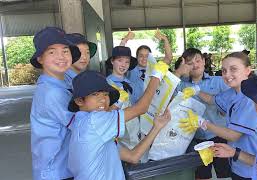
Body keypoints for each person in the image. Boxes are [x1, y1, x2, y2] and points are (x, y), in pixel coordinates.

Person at [67, 61, 169, 179]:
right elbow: (141, 108)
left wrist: (157, 127)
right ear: (79, 101)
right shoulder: (93, 121)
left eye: (105, 94)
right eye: (95, 94)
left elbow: (133, 157)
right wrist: (157, 76)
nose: (103, 100)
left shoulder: (88, 127)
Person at [180, 52, 257, 179]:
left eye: (233, 69)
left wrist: (203, 123)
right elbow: (213, 100)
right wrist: (197, 91)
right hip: (238, 161)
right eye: (224, 70)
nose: (227, 75)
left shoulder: (249, 99)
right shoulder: (233, 93)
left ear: (248, 70)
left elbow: (233, 135)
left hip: (252, 165)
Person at [29, 27, 81, 180]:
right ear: (40, 58)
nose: (61, 57)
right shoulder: (51, 93)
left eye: (65, 51)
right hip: (56, 171)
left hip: (66, 166)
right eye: (52, 52)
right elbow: (82, 125)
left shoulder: (64, 78)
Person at [174, 48, 231, 180]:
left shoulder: (218, 82)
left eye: (197, 60)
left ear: (204, 61)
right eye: (189, 63)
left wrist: (198, 91)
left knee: (224, 173)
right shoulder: (181, 85)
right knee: (202, 175)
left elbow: (228, 106)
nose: (195, 65)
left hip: (218, 135)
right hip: (195, 138)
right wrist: (178, 72)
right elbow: (166, 91)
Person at [121, 28, 173, 104]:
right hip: (133, 108)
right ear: (136, 57)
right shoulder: (130, 68)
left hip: (151, 110)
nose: (144, 58)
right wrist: (125, 40)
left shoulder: (156, 68)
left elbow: (168, 58)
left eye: (147, 56)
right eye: (141, 55)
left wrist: (165, 39)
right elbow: (120, 58)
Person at [105, 46, 140, 150]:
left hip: (134, 130)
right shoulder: (106, 84)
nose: (123, 65)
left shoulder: (130, 84)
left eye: (127, 62)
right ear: (112, 61)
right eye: (120, 60)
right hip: (117, 133)